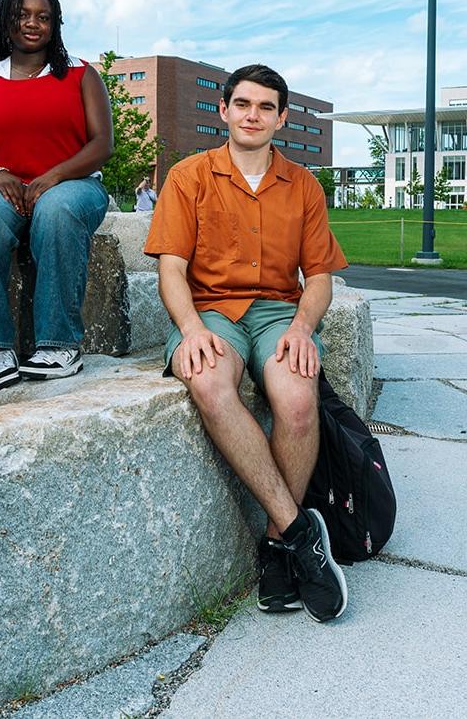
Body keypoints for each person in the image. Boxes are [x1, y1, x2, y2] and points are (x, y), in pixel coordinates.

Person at [143, 64, 349, 623]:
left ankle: (277, 545)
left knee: (299, 398)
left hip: (281, 312)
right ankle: (300, 533)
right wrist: (190, 331)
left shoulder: (303, 185)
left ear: (281, 117)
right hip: (211, 312)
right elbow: (171, 269)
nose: (252, 115)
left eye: (265, 107)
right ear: (224, 110)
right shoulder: (188, 177)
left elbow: (321, 278)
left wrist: (303, 329)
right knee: (207, 380)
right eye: (243, 104)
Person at [0, 0, 113, 390]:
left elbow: (102, 143)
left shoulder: (80, 74)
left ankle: (60, 346)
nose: (32, 24)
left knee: (56, 209)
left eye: (43, 17)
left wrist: (54, 175)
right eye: (23, 15)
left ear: (55, 25)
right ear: (6, 18)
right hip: (6, 186)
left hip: (74, 184)